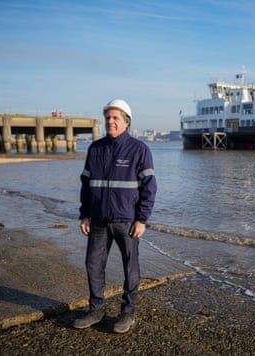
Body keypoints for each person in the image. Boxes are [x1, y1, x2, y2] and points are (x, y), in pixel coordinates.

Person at [74, 99, 157, 333]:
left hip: (127, 221)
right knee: (93, 264)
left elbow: (149, 187)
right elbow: (86, 185)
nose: (110, 122)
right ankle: (96, 309)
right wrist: (85, 215)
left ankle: (127, 312)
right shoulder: (95, 149)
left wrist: (142, 219)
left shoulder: (139, 150)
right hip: (98, 220)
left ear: (126, 122)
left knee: (130, 266)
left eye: (115, 118)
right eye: (108, 118)